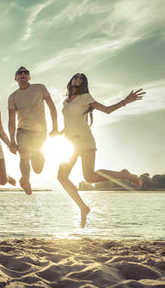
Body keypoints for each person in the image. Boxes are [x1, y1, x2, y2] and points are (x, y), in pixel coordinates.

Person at [57, 72, 145, 228]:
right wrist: (60, 131)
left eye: (81, 78)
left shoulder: (86, 98)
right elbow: (72, 121)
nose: (78, 79)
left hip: (85, 141)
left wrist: (125, 101)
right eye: (76, 77)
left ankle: (124, 175)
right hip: (70, 143)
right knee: (62, 177)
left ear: (83, 83)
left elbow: (107, 110)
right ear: (71, 80)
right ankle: (83, 207)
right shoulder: (66, 102)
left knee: (89, 177)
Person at [8, 66, 58, 195]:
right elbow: (11, 121)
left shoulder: (40, 88)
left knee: (37, 168)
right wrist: (12, 142)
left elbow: (52, 107)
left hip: (40, 132)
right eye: (20, 73)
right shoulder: (13, 96)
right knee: (23, 152)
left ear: (30, 77)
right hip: (22, 131)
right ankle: (25, 180)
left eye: (26, 72)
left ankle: (38, 159)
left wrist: (55, 127)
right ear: (16, 78)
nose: (23, 74)